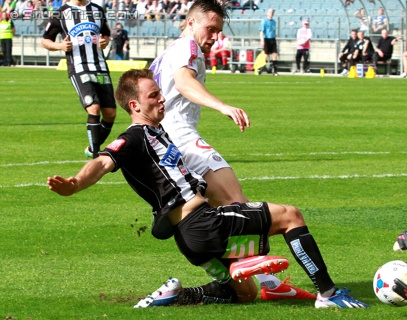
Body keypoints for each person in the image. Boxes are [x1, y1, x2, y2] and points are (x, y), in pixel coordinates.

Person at [46, 68, 369, 309]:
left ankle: (180, 294)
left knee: (245, 295)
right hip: (204, 224)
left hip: (190, 242)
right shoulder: (134, 138)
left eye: (160, 92)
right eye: (154, 96)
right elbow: (104, 161)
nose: (162, 98)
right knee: (290, 215)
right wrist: (74, 184)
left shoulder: (159, 133)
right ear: (134, 105)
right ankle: (327, 293)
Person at [148, 0, 320, 302]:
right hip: (182, 137)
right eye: (210, 29)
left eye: (218, 31)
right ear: (190, 23)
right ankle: (266, 281)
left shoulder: (165, 55)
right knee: (237, 204)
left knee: (216, 211)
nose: (214, 36)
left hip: (166, 143)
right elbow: (184, 81)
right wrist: (222, 106)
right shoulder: (187, 48)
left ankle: (258, 280)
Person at [41, 0, 116, 159]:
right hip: (79, 67)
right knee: (93, 108)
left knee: (110, 114)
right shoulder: (61, 13)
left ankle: (91, 148)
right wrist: (60, 46)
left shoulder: (97, 10)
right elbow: (45, 40)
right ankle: (96, 155)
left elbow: (106, 35)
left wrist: (105, 42)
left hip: (100, 67)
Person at [258, 8, 278, 75]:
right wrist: (262, 41)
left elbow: (274, 31)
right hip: (266, 39)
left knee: (274, 55)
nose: (271, 13)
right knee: (265, 55)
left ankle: (274, 71)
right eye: (270, 12)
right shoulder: (264, 21)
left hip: (272, 39)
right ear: (267, 13)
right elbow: (261, 31)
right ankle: (261, 69)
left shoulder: (274, 22)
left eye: (272, 12)